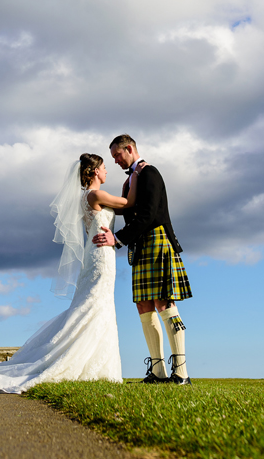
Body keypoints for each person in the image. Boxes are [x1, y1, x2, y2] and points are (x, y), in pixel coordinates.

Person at [0, 153, 135, 393]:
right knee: (96, 303)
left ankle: (96, 365)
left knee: (95, 303)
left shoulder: (86, 197)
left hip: (97, 252)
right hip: (101, 255)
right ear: (95, 171)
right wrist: (136, 177)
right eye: (105, 167)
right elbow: (129, 203)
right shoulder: (96, 194)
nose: (107, 171)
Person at [93, 134, 192, 385]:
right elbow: (126, 207)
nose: (115, 161)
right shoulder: (132, 180)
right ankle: (158, 373)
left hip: (157, 240)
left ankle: (181, 372)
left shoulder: (150, 173)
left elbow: (147, 214)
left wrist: (118, 238)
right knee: (143, 306)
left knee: (164, 303)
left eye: (117, 155)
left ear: (129, 148)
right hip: (141, 244)